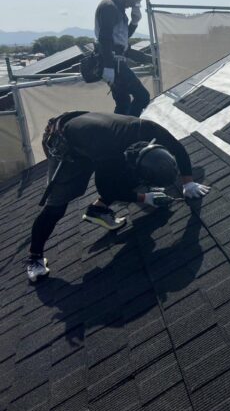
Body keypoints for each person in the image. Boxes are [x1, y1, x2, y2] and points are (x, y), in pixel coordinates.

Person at [25, 111, 211, 283]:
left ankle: (98, 210)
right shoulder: (108, 152)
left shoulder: (148, 129)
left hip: (90, 132)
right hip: (65, 145)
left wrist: (188, 183)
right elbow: (108, 189)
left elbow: (177, 148)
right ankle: (34, 258)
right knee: (56, 207)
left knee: (127, 176)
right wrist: (145, 198)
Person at [95, 0, 150, 117]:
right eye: (133, 0)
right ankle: (127, 128)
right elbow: (105, 39)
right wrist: (109, 66)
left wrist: (134, 23)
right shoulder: (109, 7)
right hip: (115, 64)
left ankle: (120, 128)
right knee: (142, 97)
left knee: (123, 103)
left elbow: (122, 38)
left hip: (115, 63)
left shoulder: (115, 7)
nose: (132, 5)